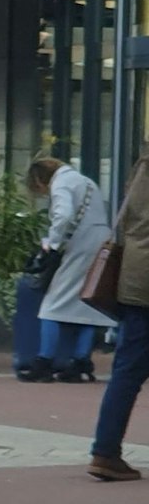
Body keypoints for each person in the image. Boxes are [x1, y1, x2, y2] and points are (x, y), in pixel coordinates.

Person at [21, 158, 109, 385]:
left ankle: (44, 362)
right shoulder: (87, 182)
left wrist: (52, 244)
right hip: (100, 243)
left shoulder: (61, 184)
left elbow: (64, 215)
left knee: (51, 305)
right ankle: (81, 361)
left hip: (79, 245)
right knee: (88, 302)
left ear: (40, 179)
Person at [91, 153, 149, 481]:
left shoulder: (143, 165)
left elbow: (124, 223)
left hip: (136, 280)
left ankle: (105, 451)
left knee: (126, 373)